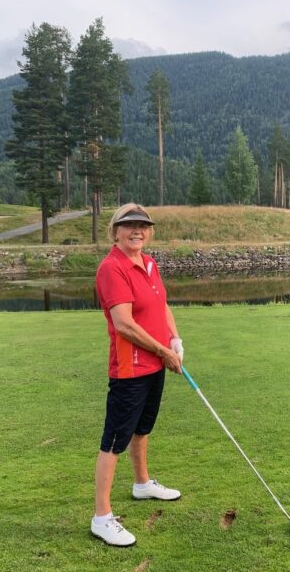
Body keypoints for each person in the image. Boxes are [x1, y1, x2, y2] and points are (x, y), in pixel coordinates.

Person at [91, 203, 185, 547]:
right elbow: (124, 324)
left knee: (143, 429)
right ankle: (101, 516)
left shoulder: (148, 263)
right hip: (130, 369)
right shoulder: (112, 268)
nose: (137, 230)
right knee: (115, 440)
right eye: (129, 225)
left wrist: (174, 338)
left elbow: (161, 304)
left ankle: (142, 484)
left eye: (143, 226)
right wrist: (164, 351)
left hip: (156, 365)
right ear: (115, 231)